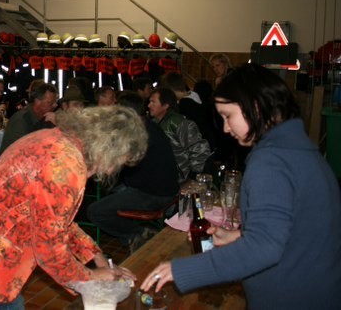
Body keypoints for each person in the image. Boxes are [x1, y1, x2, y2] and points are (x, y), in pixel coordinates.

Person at [141, 64, 341, 309]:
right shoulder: (299, 149)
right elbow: (296, 226)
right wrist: (238, 235)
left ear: (254, 107)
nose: (226, 128)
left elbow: (264, 247)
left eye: (228, 116)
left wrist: (182, 270)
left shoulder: (271, 161)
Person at [0, 106, 147, 308]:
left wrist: (98, 258)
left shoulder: (60, 139)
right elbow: (49, 250)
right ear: (107, 148)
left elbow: (56, 221)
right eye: (117, 162)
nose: (111, 170)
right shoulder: (66, 166)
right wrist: (93, 276)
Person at [87, 92, 179, 247]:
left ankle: (139, 235)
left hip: (154, 195)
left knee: (95, 211)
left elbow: (115, 162)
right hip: (164, 189)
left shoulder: (138, 134)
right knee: (110, 188)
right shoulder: (149, 126)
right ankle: (133, 237)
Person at [148, 87, 211, 183]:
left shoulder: (181, 124)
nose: (149, 105)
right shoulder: (151, 124)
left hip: (179, 181)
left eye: (153, 102)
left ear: (165, 105)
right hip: (159, 179)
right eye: (149, 101)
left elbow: (200, 150)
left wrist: (192, 177)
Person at [0, 82, 58, 154]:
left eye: (55, 102)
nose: (55, 105)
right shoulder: (21, 120)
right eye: (50, 103)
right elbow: (24, 152)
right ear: (37, 102)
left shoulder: (45, 118)